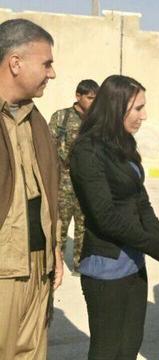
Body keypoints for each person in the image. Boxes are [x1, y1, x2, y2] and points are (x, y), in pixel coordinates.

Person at [69, 75, 159, 360]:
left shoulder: (123, 145)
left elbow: (141, 203)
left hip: (133, 265)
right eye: (138, 108)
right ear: (116, 107)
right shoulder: (87, 150)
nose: (144, 116)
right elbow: (105, 217)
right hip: (106, 268)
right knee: (107, 350)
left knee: (129, 347)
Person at [0, 18, 63, 359]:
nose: (51, 73)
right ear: (15, 63)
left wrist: (54, 248)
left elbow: (46, 191)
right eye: (46, 63)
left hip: (37, 268)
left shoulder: (34, 119)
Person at [49, 79, 99, 273]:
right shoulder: (61, 117)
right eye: (90, 98)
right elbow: (49, 147)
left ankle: (80, 264)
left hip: (87, 182)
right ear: (78, 96)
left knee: (85, 226)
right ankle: (55, 263)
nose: (94, 103)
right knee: (59, 226)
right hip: (64, 180)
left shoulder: (98, 121)